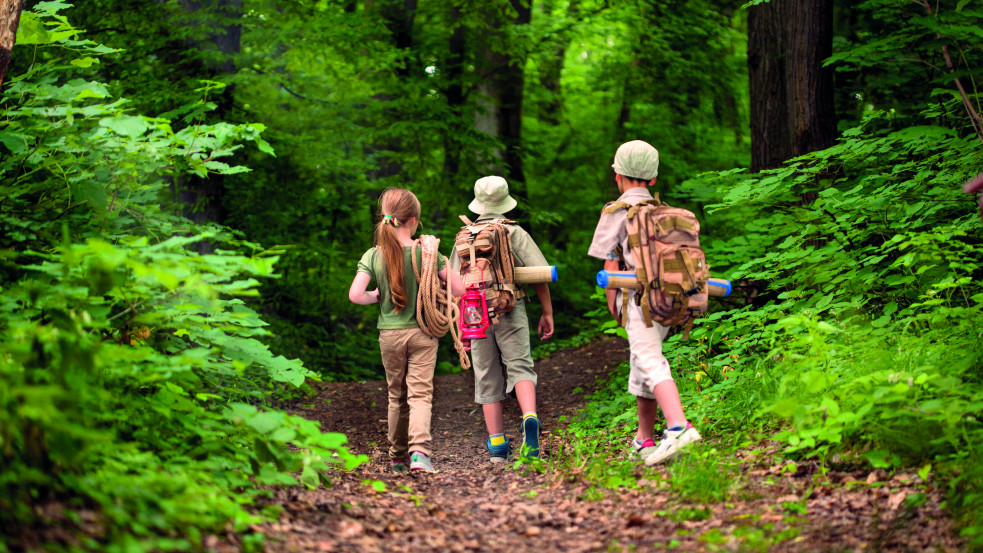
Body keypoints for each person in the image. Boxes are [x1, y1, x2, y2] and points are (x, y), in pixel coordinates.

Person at [587, 140, 702, 466]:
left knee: (649, 360)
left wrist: (614, 303)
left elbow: (610, 263)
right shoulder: (665, 214)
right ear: (653, 179)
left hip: (638, 300)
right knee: (642, 365)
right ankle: (644, 439)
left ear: (618, 176)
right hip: (671, 300)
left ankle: (678, 427)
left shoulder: (617, 211)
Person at [349, 188, 465, 474]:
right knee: (420, 394)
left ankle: (398, 457)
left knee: (395, 395)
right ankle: (420, 454)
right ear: (413, 220)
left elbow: (355, 295)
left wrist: (378, 295)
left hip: (389, 334)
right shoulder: (427, 253)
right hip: (423, 333)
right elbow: (459, 289)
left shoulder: (374, 254)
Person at [450, 176, 555, 463]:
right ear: (505, 200)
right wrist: (547, 312)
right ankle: (529, 417)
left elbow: (454, 286)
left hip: (475, 314)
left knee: (485, 375)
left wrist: (462, 326)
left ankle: (497, 446)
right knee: (520, 367)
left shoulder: (464, 236)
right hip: (511, 306)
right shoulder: (513, 232)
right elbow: (540, 274)